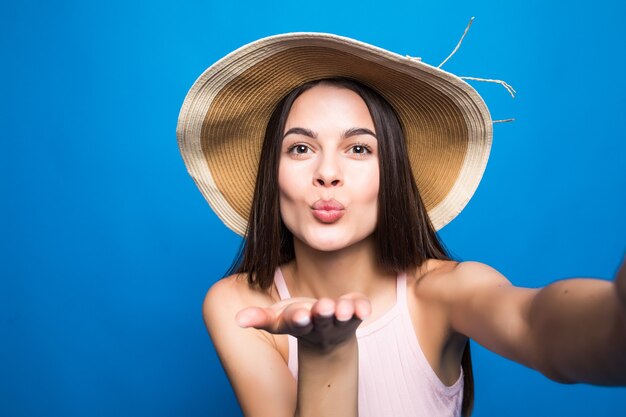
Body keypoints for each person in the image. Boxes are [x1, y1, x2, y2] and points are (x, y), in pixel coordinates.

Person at [176, 33, 626, 417]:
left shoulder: (443, 291)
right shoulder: (239, 305)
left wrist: (616, 316)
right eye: (299, 149)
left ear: (391, 173)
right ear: (270, 176)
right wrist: (326, 353)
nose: (327, 173)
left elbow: (536, 323)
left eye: (358, 149)